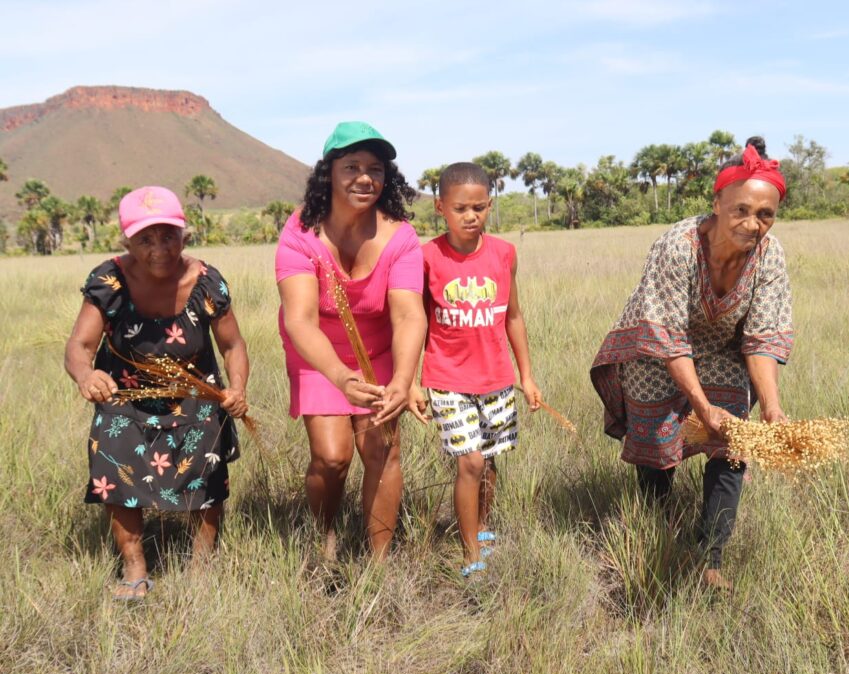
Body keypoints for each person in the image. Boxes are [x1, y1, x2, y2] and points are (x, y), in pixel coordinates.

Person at [590, 137, 793, 590]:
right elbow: (669, 338)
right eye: (741, 210)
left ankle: (709, 556)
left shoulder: (770, 254)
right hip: (655, 347)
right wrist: (701, 408)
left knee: (733, 441)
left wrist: (771, 408)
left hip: (720, 349)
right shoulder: (677, 246)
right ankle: (656, 531)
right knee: (656, 439)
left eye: (765, 214)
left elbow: (762, 338)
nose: (753, 224)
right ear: (717, 203)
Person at [64, 186, 249, 600]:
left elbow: (233, 345)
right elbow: (79, 346)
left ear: (185, 234)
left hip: (194, 397)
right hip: (126, 400)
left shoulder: (206, 282)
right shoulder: (109, 281)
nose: (159, 248)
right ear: (126, 241)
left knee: (208, 456)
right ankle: (135, 568)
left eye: (169, 236)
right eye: (145, 239)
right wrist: (86, 375)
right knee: (113, 447)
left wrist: (236, 387)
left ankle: (202, 568)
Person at [275, 121, 426, 561]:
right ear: (329, 172)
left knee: (382, 450)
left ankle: (379, 562)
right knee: (332, 456)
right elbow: (300, 320)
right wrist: (342, 378)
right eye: (352, 167)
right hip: (318, 353)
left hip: (380, 351)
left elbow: (408, 313)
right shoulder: (300, 232)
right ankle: (325, 536)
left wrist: (403, 380)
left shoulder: (400, 236)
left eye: (375, 169)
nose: (365, 178)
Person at [409, 162, 542, 577]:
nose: (471, 216)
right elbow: (415, 322)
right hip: (447, 378)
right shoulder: (426, 258)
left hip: (496, 378)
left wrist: (526, 375)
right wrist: (410, 381)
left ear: (490, 205)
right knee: (469, 462)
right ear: (440, 208)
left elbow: (513, 316)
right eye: (461, 208)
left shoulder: (504, 254)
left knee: (489, 460)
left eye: (479, 208)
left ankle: (481, 525)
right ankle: (470, 554)